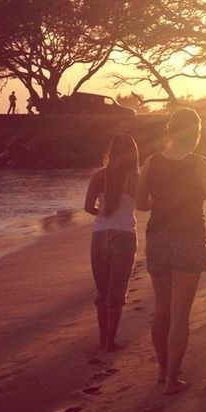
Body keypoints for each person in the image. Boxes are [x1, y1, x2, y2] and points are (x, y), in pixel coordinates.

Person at [137, 107, 206, 393]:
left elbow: (141, 204)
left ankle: (162, 371)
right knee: (180, 315)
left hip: (157, 239)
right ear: (196, 134)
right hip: (189, 240)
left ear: (170, 130)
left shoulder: (152, 162)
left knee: (161, 310)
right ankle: (171, 379)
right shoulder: (200, 164)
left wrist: (165, 202)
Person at [84, 133, 140, 352]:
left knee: (103, 292)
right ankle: (110, 343)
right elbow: (145, 204)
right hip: (125, 234)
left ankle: (102, 340)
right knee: (117, 292)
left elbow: (88, 207)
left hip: (100, 234)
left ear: (111, 152)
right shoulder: (136, 178)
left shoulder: (98, 176)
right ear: (134, 154)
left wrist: (103, 211)